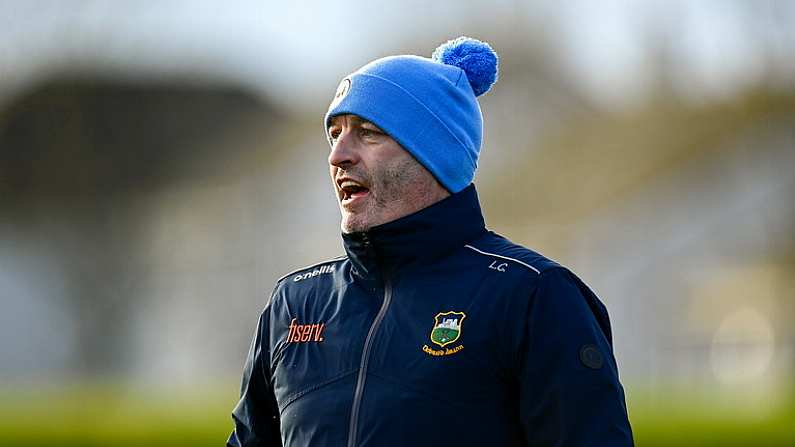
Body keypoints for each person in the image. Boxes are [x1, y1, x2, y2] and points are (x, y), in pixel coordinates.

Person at [228, 36, 634, 447]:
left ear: (433, 153)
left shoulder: (533, 294)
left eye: (367, 132)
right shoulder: (295, 303)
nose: (338, 155)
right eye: (335, 134)